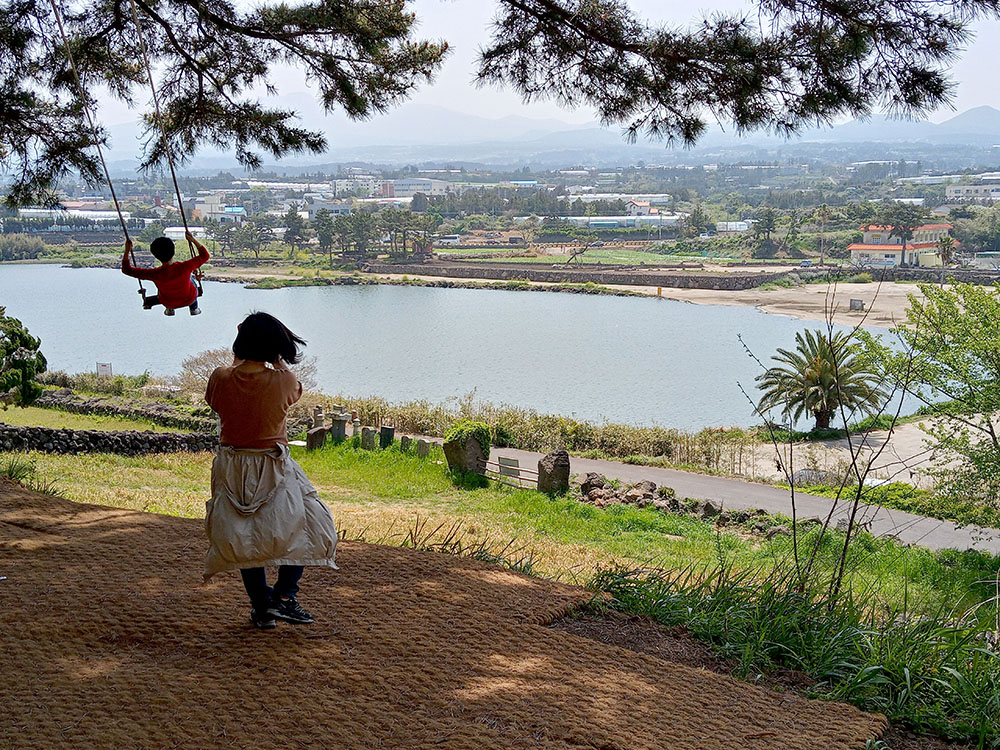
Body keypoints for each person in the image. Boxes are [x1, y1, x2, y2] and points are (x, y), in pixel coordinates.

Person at [203, 312, 338, 630]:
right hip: (273, 464)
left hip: (232, 464)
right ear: (277, 348)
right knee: (310, 524)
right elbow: (294, 391)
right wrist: (277, 361)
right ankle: (285, 596)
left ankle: (263, 605)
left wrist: (240, 357)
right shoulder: (284, 380)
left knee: (245, 535)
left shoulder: (220, 377)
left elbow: (215, 401)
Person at [121, 231, 209, 316]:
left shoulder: (155, 273)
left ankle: (170, 309)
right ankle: (194, 308)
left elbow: (127, 270)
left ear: (156, 255)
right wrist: (193, 240)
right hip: (189, 299)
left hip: (168, 302)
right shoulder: (184, 267)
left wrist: (127, 251)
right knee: (190, 276)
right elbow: (205, 255)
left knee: (161, 284)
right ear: (173, 252)